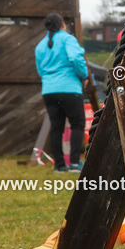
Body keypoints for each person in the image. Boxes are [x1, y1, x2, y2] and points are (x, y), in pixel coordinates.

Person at [35, 13, 89, 172]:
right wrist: (84, 75)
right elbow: (75, 58)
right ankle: (74, 162)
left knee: (56, 127)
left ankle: (59, 165)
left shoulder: (40, 46)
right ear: (62, 25)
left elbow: (40, 70)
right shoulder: (67, 39)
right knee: (77, 125)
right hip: (69, 87)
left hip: (49, 90)